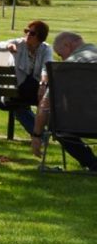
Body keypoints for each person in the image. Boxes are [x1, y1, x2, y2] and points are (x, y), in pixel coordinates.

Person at [31, 30, 97, 172]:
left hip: (82, 124)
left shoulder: (69, 66)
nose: (61, 59)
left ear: (68, 45)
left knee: (57, 123)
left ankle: (92, 163)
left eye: (61, 55)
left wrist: (36, 135)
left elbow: (45, 105)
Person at [0, 20, 52, 137]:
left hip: (32, 90)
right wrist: (8, 46)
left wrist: (42, 85)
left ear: (40, 37)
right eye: (27, 31)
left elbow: (46, 68)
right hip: (16, 88)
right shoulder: (18, 43)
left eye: (32, 33)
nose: (27, 35)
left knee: (19, 108)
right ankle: (45, 134)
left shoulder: (45, 49)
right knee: (22, 106)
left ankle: (42, 134)